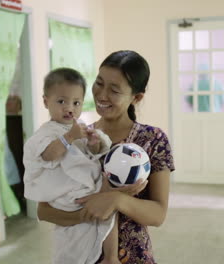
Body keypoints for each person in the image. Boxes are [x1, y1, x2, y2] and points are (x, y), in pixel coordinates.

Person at [37, 50, 175, 264]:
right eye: (99, 83)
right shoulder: (76, 139)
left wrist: (116, 199)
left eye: (114, 90)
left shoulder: (152, 140)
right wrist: (88, 212)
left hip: (133, 257)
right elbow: (44, 210)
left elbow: (158, 214)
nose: (101, 95)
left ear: (136, 98)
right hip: (78, 254)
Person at [23, 68, 121, 264]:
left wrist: (94, 143)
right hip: (66, 195)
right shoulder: (46, 133)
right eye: (61, 101)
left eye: (76, 103)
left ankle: (111, 257)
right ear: (45, 102)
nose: (69, 108)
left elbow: (92, 154)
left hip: (86, 188)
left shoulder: (80, 128)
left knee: (109, 210)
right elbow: (49, 155)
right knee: (73, 242)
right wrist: (69, 137)